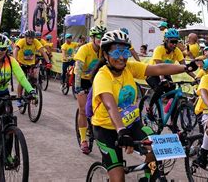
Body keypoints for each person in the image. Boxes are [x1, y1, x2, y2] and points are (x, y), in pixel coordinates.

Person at [91, 30, 198, 181]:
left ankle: (146, 178)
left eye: (124, 52)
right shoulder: (102, 76)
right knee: (118, 178)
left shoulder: (130, 67)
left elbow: (158, 69)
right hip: (106, 129)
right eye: (116, 52)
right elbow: (110, 105)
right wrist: (121, 130)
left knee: (156, 151)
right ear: (106, 54)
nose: (121, 57)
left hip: (132, 125)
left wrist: (186, 68)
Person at [73, 25, 106, 154]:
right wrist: (77, 87)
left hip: (97, 80)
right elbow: (78, 68)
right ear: (92, 38)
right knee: (82, 110)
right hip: (82, 80)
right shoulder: (84, 49)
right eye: (99, 37)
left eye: (103, 37)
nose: (101, 39)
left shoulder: (104, 50)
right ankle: (83, 140)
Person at [146, 28, 196, 111]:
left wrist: (196, 77)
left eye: (176, 42)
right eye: (172, 42)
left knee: (174, 98)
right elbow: (159, 66)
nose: (174, 44)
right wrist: (162, 79)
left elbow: (185, 67)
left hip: (165, 73)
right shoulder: (159, 49)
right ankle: (150, 107)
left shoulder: (177, 51)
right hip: (152, 73)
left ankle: (172, 122)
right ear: (166, 40)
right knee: (159, 89)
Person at [13, 30, 51, 107]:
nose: (31, 40)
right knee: (22, 81)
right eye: (29, 38)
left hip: (31, 64)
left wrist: (48, 62)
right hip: (21, 63)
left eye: (32, 38)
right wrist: (16, 60)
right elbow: (15, 50)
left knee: (33, 79)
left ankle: (32, 94)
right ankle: (19, 99)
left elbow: (43, 52)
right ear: (26, 37)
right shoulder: (21, 41)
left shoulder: (36, 41)